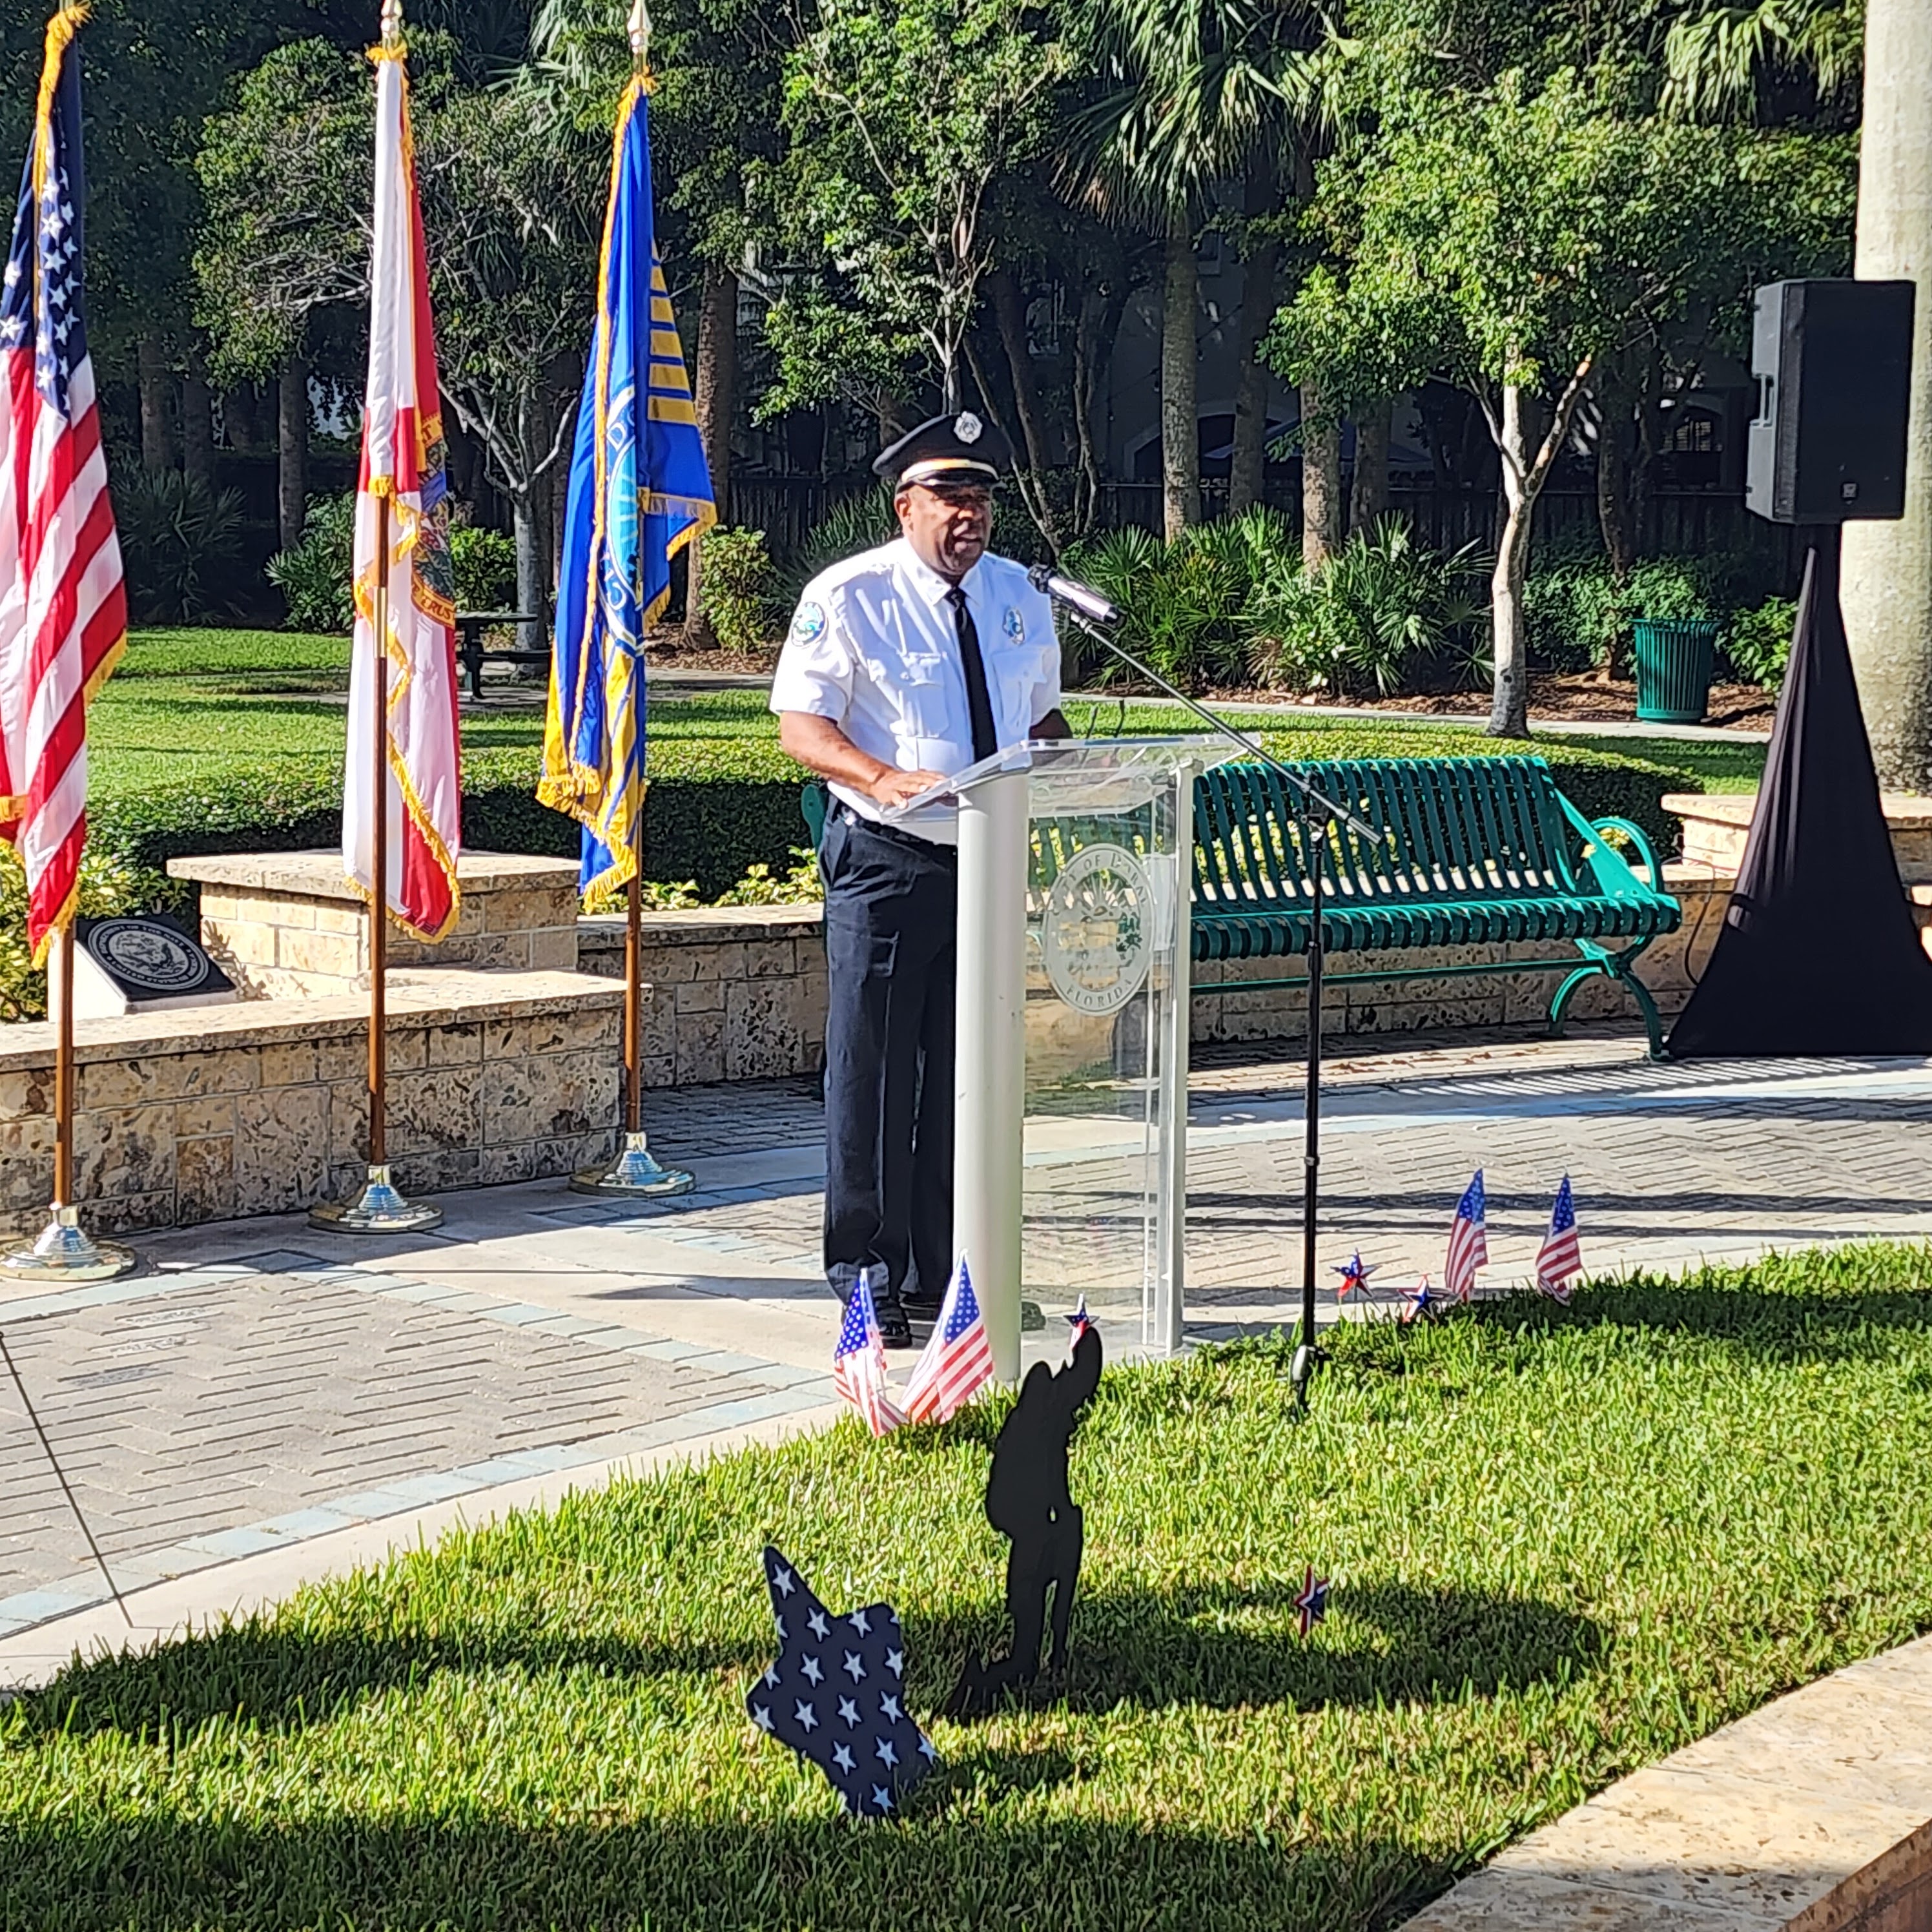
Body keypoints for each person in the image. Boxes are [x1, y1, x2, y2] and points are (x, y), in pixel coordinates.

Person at [771, 410, 1069, 1344]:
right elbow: (801, 727)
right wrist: (880, 775)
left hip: (987, 864)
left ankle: (953, 1273)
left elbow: (1043, 721)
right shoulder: (850, 595)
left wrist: (1075, 768)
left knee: (969, 1080)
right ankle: (867, 1273)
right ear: (906, 506)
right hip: (889, 861)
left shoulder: (1020, 596)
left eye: (980, 497)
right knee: (877, 1073)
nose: (969, 516)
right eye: (949, 497)